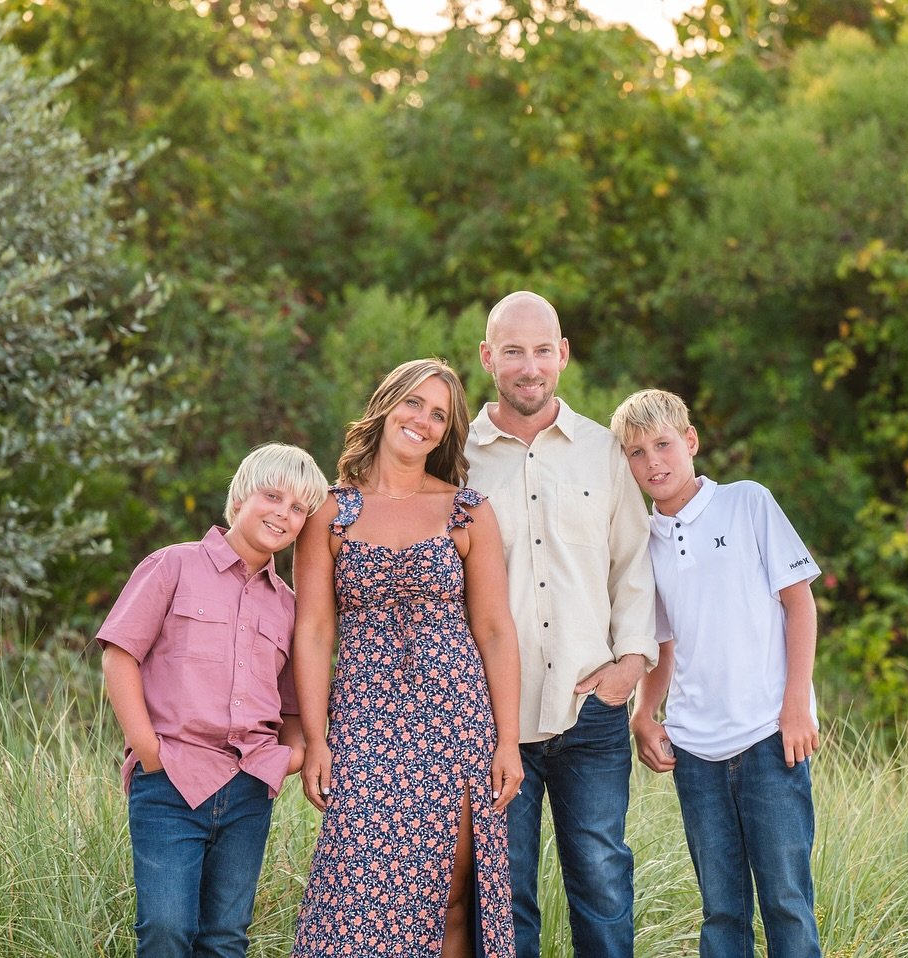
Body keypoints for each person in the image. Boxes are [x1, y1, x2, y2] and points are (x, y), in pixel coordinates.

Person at [292, 357, 524, 958]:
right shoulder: (328, 510)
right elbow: (314, 629)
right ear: (386, 405)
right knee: (355, 887)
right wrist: (316, 738)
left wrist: (507, 741)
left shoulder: (466, 509)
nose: (423, 420)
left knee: (452, 890)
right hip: (364, 718)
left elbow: (496, 629)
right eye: (413, 404)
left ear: (447, 433)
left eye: (439, 415)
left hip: (456, 718)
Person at [464, 291, 659, 957]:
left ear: (563, 356)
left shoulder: (603, 452)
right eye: (513, 351)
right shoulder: (457, 459)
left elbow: (634, 562)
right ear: (488, 357)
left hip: (590, 710)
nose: (529, 365)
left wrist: (630, 664)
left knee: (602, 881)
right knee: (504, 892)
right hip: (493, 718)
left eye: (542, 350)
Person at [610, 388, 824, 958]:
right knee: (721, 910)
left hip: (768, 738)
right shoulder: (642, 541)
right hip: (695, 751)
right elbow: (664, 641)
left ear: (691, 442)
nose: (652, 461)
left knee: (786, 902)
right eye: (635, 452)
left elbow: (799, 604)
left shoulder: (747, 502)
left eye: (662, 445)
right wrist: (643, 715)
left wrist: (796, 705)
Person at [98, 442, 330, 958]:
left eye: (298, 509)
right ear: (243, 495)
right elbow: (119, 656)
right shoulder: (172, 566)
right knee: (166, 929)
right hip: (171, 783)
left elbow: (292, 705)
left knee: (226, 937)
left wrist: (289, 756)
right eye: (273, 496)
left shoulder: (289, 608)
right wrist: (149, 750)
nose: (283, 514)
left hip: (249, 789)